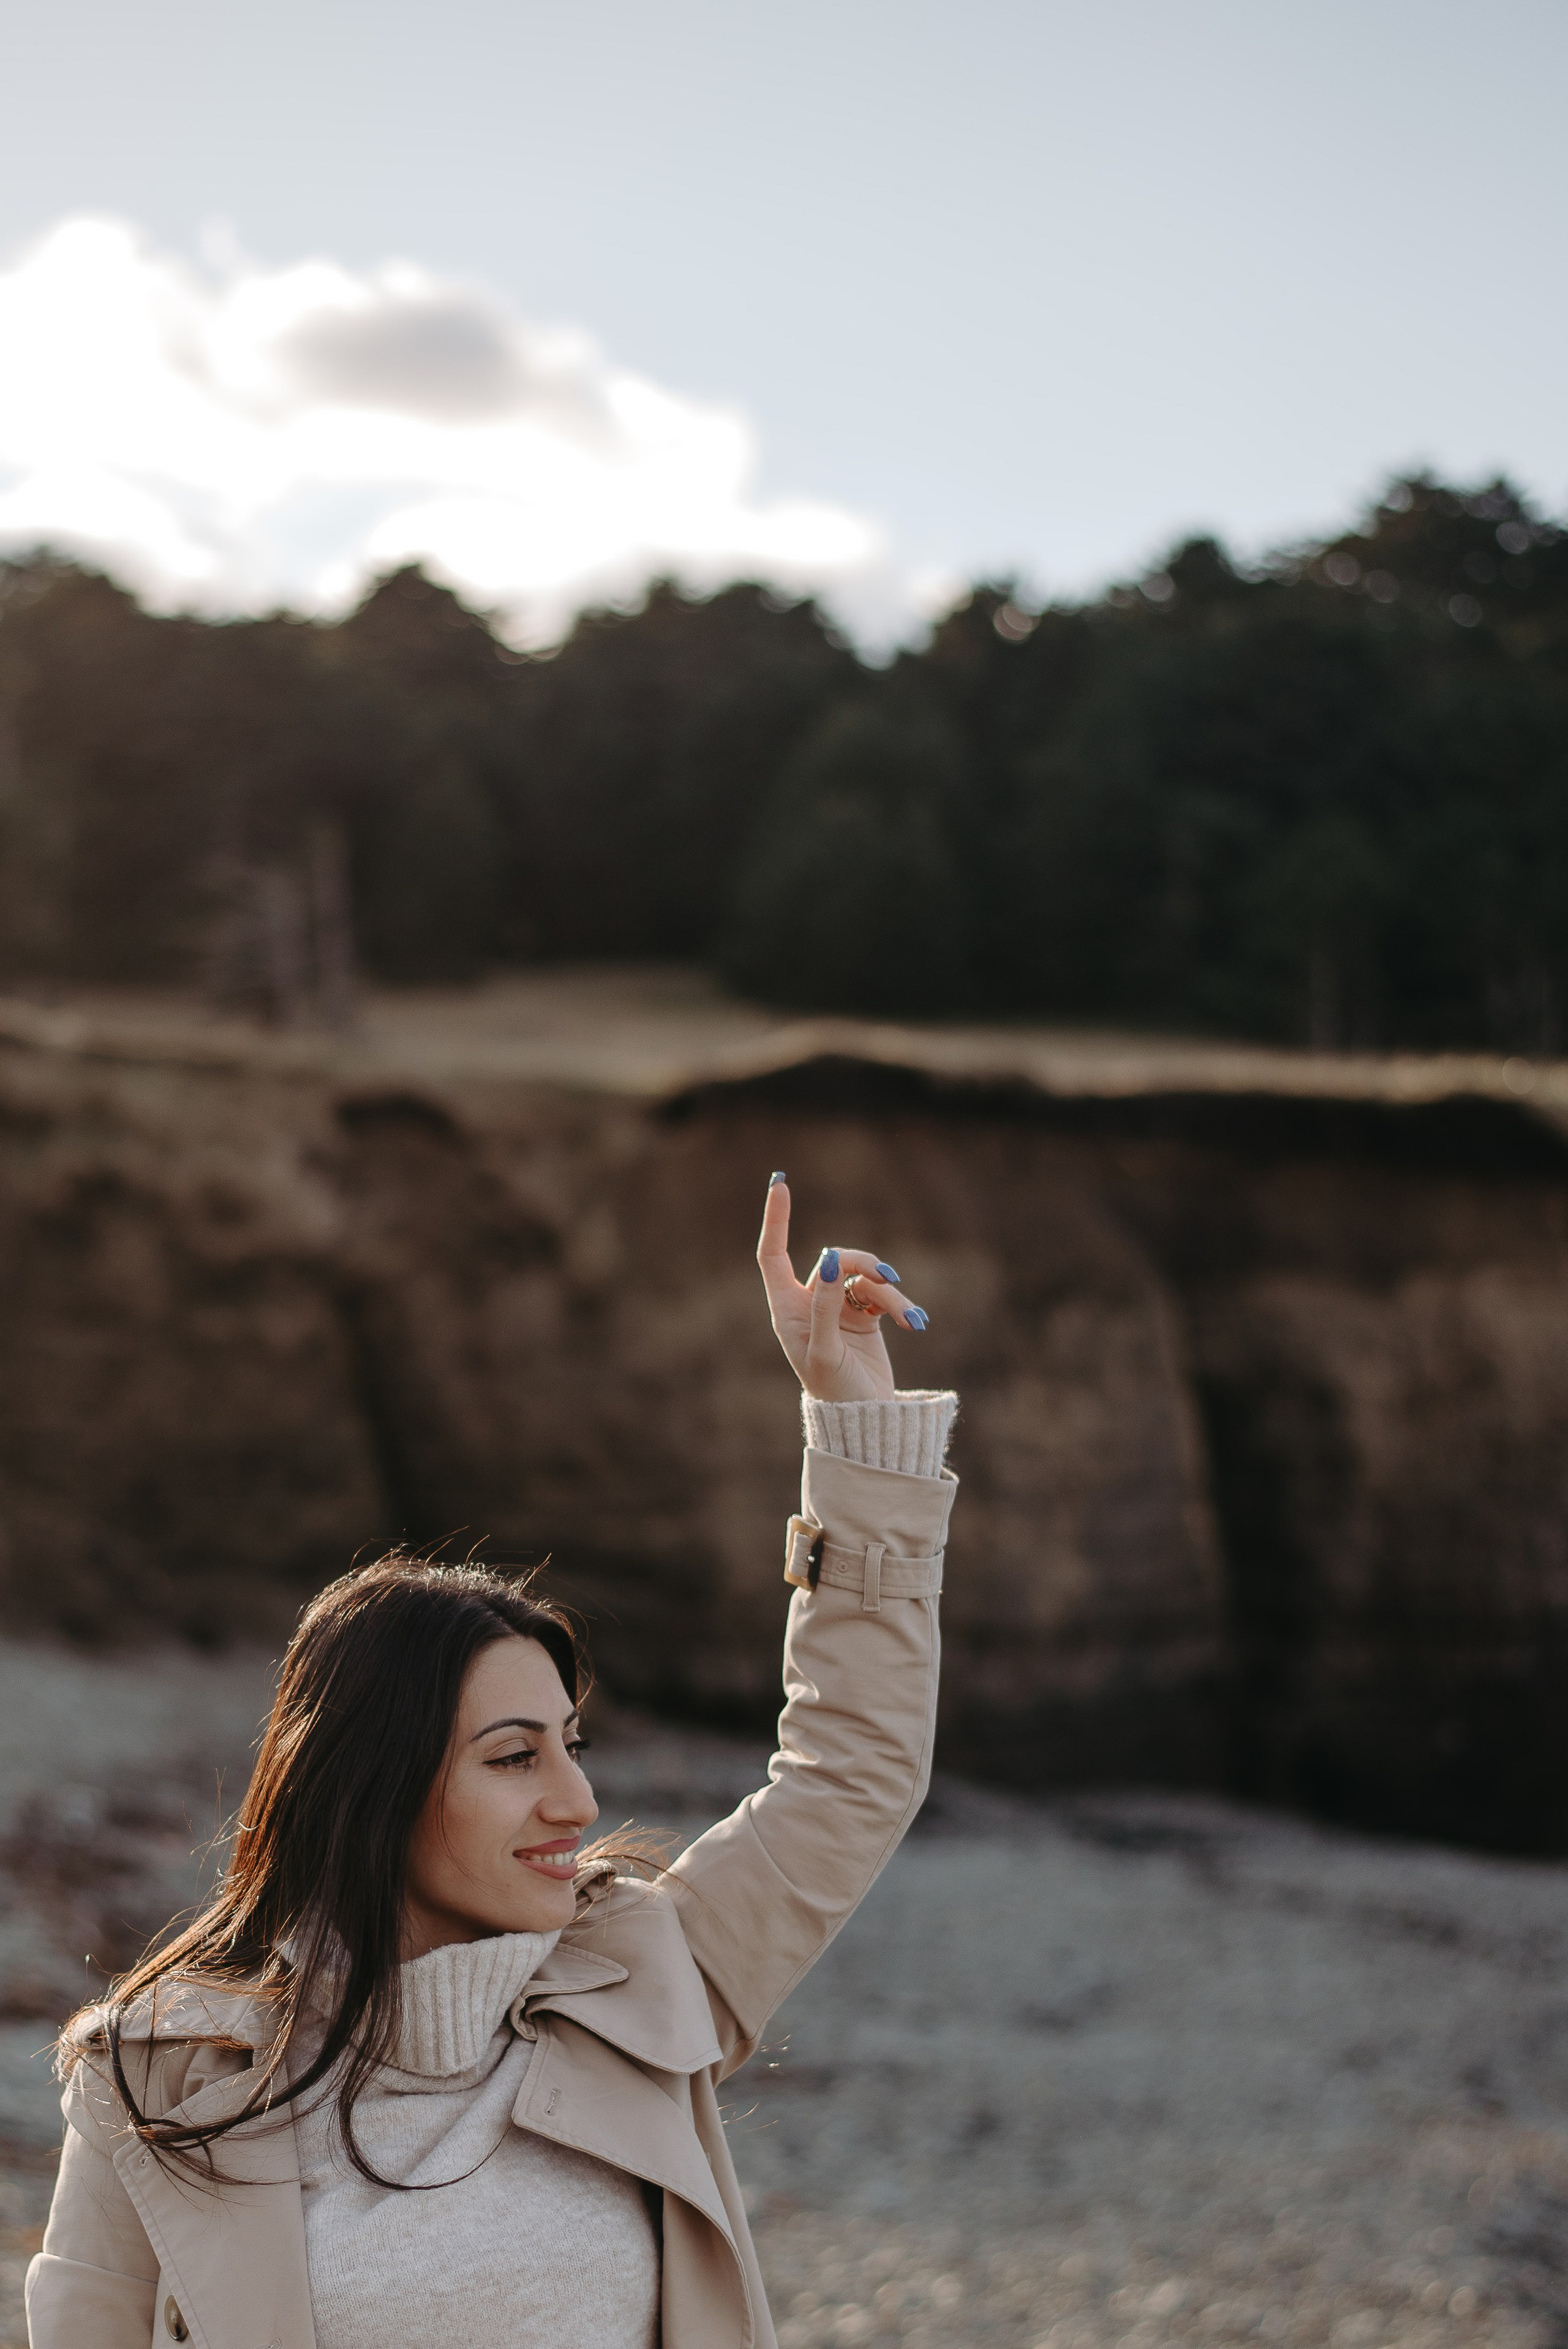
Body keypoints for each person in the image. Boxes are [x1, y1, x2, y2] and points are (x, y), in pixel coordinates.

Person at [27, 1173, 960, 2349]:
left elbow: (852, 1765)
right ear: (372, 1783)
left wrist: (857, 1434)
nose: (576, 1799)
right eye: (514, 1757)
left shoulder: (644, 1975)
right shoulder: (152, 2073)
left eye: (572, 1744)